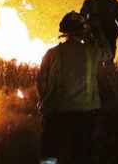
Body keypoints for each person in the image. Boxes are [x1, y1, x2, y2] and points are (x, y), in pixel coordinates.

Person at [37, 11, 111, 164]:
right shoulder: (92, 52)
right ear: (84, 31)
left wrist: (45, 102)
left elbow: (41, 82)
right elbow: (108, 53)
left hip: (56, 111)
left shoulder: (52, 53)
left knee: (50, 151)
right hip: (86, 113)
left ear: (64, 31)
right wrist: (97, 33)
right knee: (81, 153)